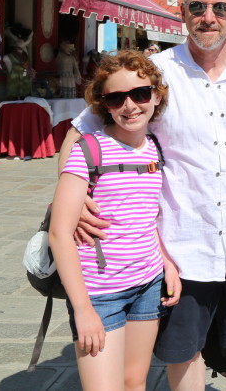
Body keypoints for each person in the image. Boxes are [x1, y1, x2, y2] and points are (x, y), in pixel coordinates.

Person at [61, 0, 226, 390]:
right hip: (184, 246)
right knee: (183, 350)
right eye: (198, 7)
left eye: (220, 7)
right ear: (182, 12)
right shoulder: (154, 74)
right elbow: (79, 131)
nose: (209, 17)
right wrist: (73, 199)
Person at [47, 50, 181, 390]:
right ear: (103, 104)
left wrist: (166, 263)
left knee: (134, 382)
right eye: (116, 98)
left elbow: (149, 217)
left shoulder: (155, 149)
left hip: (148, 285)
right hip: (100, 293)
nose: (130, 106)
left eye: (139, 94)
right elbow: (60, 233)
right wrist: (82, 309)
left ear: (155, 96)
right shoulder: (89, 150)